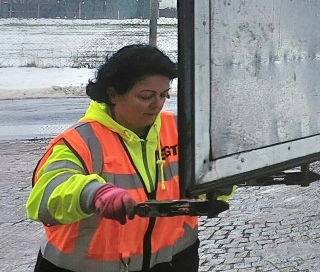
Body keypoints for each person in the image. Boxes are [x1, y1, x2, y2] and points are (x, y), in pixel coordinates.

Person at [26, 44, 200, 272]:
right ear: (113, 94)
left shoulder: (179, 129)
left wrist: (218, 184)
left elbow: (209, 175)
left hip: (172, 261)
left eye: (163, 95)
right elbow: (46, 197)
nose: (156, 104)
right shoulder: (81, 140)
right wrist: (94, 193)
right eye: (145, 96)